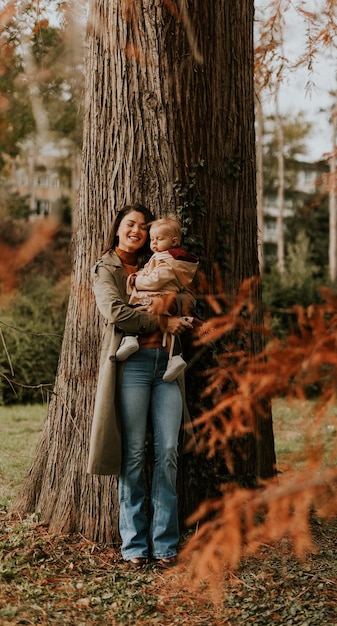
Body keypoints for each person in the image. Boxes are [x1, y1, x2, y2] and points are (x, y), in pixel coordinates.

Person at [87, 204, 194, 569]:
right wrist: (163, 320)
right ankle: (134, 545)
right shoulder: (107, 268)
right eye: (130, 224)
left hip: (167, 367)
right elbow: (116, 313)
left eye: (143, 226)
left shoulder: (160, 260)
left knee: (167, 451)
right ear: (117, 228)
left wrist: (172, 310)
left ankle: (164, 544)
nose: (137, 231)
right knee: (133, 453)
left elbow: (188, 298)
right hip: (131, 367)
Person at [115, 215, 199, 382]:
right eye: (152, 239)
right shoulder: (163, 257)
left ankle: (131, 338)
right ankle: (174, 357)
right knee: (170, 326)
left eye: (159, 239)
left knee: (135, 308)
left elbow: (155, 279)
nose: (153, 243)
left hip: (159, 295)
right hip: (161, 297)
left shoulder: (169, 260)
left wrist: (136, 280)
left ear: (174, 241)